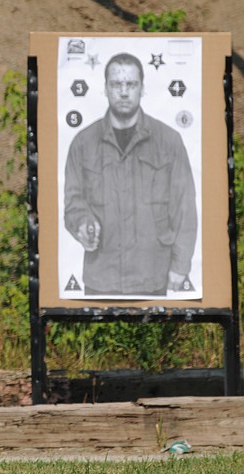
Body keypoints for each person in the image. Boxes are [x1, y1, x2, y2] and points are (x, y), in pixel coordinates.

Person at [64, 52, 197, 296]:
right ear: (105, 88)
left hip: (154, 276)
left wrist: (181, 266)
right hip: (101, 279)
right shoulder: (83, 144)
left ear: (142, 88)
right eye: (116, 84)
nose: (124, 92)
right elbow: (73, 202)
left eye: (131, 84)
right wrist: (82, 223)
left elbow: (185, 208)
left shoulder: (168, 141)